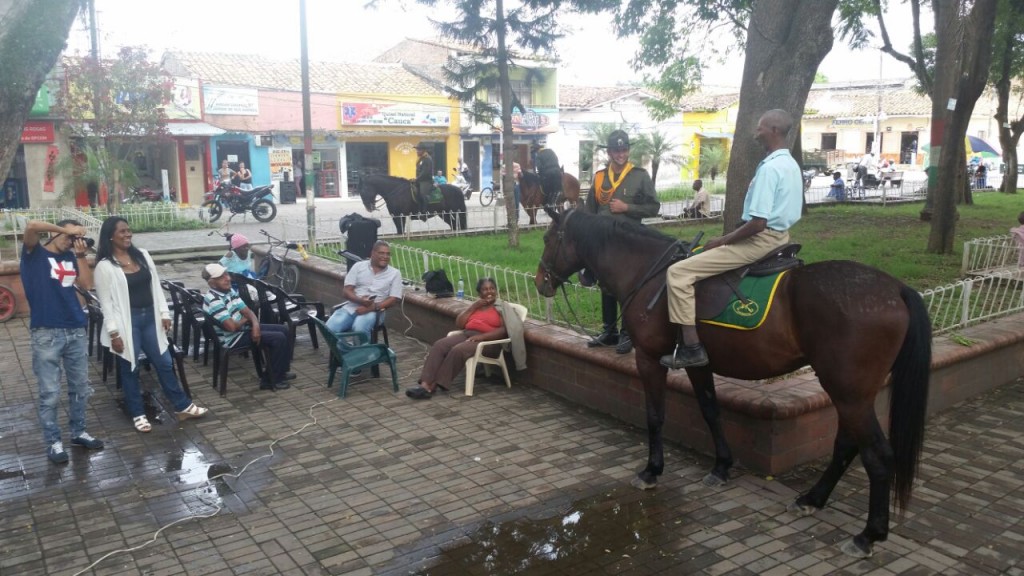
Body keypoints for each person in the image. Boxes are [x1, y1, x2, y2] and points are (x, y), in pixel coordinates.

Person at [662, 109, 803, 369]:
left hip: (761, 240)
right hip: (781, 236)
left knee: (678, 273)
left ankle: (691, 347)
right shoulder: (790, 164)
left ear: (773, 130)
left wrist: (724, 240)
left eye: (760, 128)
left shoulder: (771, 169)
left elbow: (758, 223)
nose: (756, 133)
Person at [94, 216, 208, 432]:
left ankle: (182, 406)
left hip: (150, 319)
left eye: (129, 230)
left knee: (164, 363)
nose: (128, 234)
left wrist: (164, 313)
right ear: (110, 236)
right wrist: (114, 333)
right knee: (130, 368)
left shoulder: (143, 256)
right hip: (128, 322)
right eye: (122, 231)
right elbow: (106, 304)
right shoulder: (105, 266)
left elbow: (155, 285)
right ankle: (137, 413)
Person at [21, 219, 103, 463]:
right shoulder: (34, 254)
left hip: (75, 329)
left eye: (74, 237)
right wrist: (67, 230)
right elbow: (32, 225)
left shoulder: (70, 258)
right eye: (68, 236)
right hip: (46, 332)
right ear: (57, 233)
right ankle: (54, 441)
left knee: (80, 387)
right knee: (50, 393)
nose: (71, 240)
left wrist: (80, 255)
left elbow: (87, 285)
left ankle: (78, 432)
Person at [584, 129, 661, 354]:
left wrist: (628, 208)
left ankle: (628, 334)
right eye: (616, 150)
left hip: (630, 246)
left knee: (627, 289)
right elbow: (590, 211)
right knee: (606, 286)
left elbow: (653, 207)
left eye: (624, 149)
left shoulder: (639, 175)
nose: (621, 153)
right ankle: (610, 331)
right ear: (609, 152)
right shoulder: (599, 177)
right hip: (606, 245)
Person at [405, 278, 526, 399]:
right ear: (479, 293)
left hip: (489, 342)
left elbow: (505, 330)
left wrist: (482, 337)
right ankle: (425, 384)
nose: (489, 292)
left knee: (458, 350)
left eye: (492, 288)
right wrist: (473, 307)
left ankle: (433, 386)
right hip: (467, 334)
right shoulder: (476, 306)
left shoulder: (500, 308)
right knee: (439, 345)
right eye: (485, 289)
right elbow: (460, 324)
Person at [202, 263, 296, 391]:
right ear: (212, 283)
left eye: (226, 274)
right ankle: (269, 381)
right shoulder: (214, 300)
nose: (228, 278)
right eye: (221, 277)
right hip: (232, 339)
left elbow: (248, 311)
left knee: (283, 329)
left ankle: (280, 372)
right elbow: (232, 327)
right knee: (278, 338)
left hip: (242, 330)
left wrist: (255, 325)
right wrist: (246, 319)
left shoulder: (229, 291)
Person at [325, 240, 403, 341]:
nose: (385, 256)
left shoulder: (394, 273)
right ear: (373, 253)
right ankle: (346, 354)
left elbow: (394, 299)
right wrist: (360, 301)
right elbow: (346, 291)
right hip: (352, 307)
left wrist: (371, 307)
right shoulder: (358, 266)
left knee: (359, 329)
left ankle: (361, 355)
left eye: (388, 254)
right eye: (381, 253)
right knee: (329, 328)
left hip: (375, 311)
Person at [532, 140, 563, 204]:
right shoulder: (551, 151)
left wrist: (539, 173)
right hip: (557, 171)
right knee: (557, 188)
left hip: (548, 173)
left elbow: (539, 167)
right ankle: (557, 194)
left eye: (535, 152)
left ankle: (548, 201)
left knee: (544, 187)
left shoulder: (539, 155)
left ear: (537, 150)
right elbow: (556, 159)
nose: (536, 153)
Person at [414, 142, 434, 215]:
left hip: (426, 181)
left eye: (419, 150)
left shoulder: (427, 159)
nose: (417, 151)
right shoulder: (421, 159)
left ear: (423, 150)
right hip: (420, 180)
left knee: (423, 194)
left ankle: (425, 212)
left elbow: (425, 172)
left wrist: (417, 179)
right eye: (417, 150)